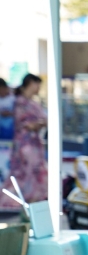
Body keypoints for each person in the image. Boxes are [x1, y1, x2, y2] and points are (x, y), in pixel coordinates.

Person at [0, 74, 47, 211]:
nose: (38, 88)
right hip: (26, 144)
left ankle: (31, 201)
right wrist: (38, 123)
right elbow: (26, 123)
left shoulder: (28, 102)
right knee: (27, 171)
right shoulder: (20, 102)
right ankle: (22, 200)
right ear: (31, 83)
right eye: (37, 84)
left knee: (33, 172)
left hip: (32, 142)